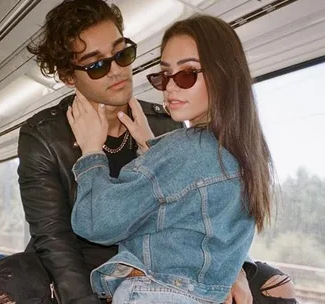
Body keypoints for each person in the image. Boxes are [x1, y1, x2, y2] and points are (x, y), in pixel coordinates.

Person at [0, 0, 296, 303]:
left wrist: (231, 267)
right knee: (4, 283)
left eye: (122, 54)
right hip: (83, 264)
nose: (116, 70)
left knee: (272, 282)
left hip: (160, 265)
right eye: (97, 65)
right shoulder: (43, 136)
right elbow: (54, 239)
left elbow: (207, 206)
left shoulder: (165, 121)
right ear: (67, 76)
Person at [66, 13, 286, 303]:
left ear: (222, 73)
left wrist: (91, 151)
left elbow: (96, 223)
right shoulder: (246, 152)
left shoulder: (184, 148)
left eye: (186, 74)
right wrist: (155, 150)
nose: (170, 88)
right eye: (164, 75)